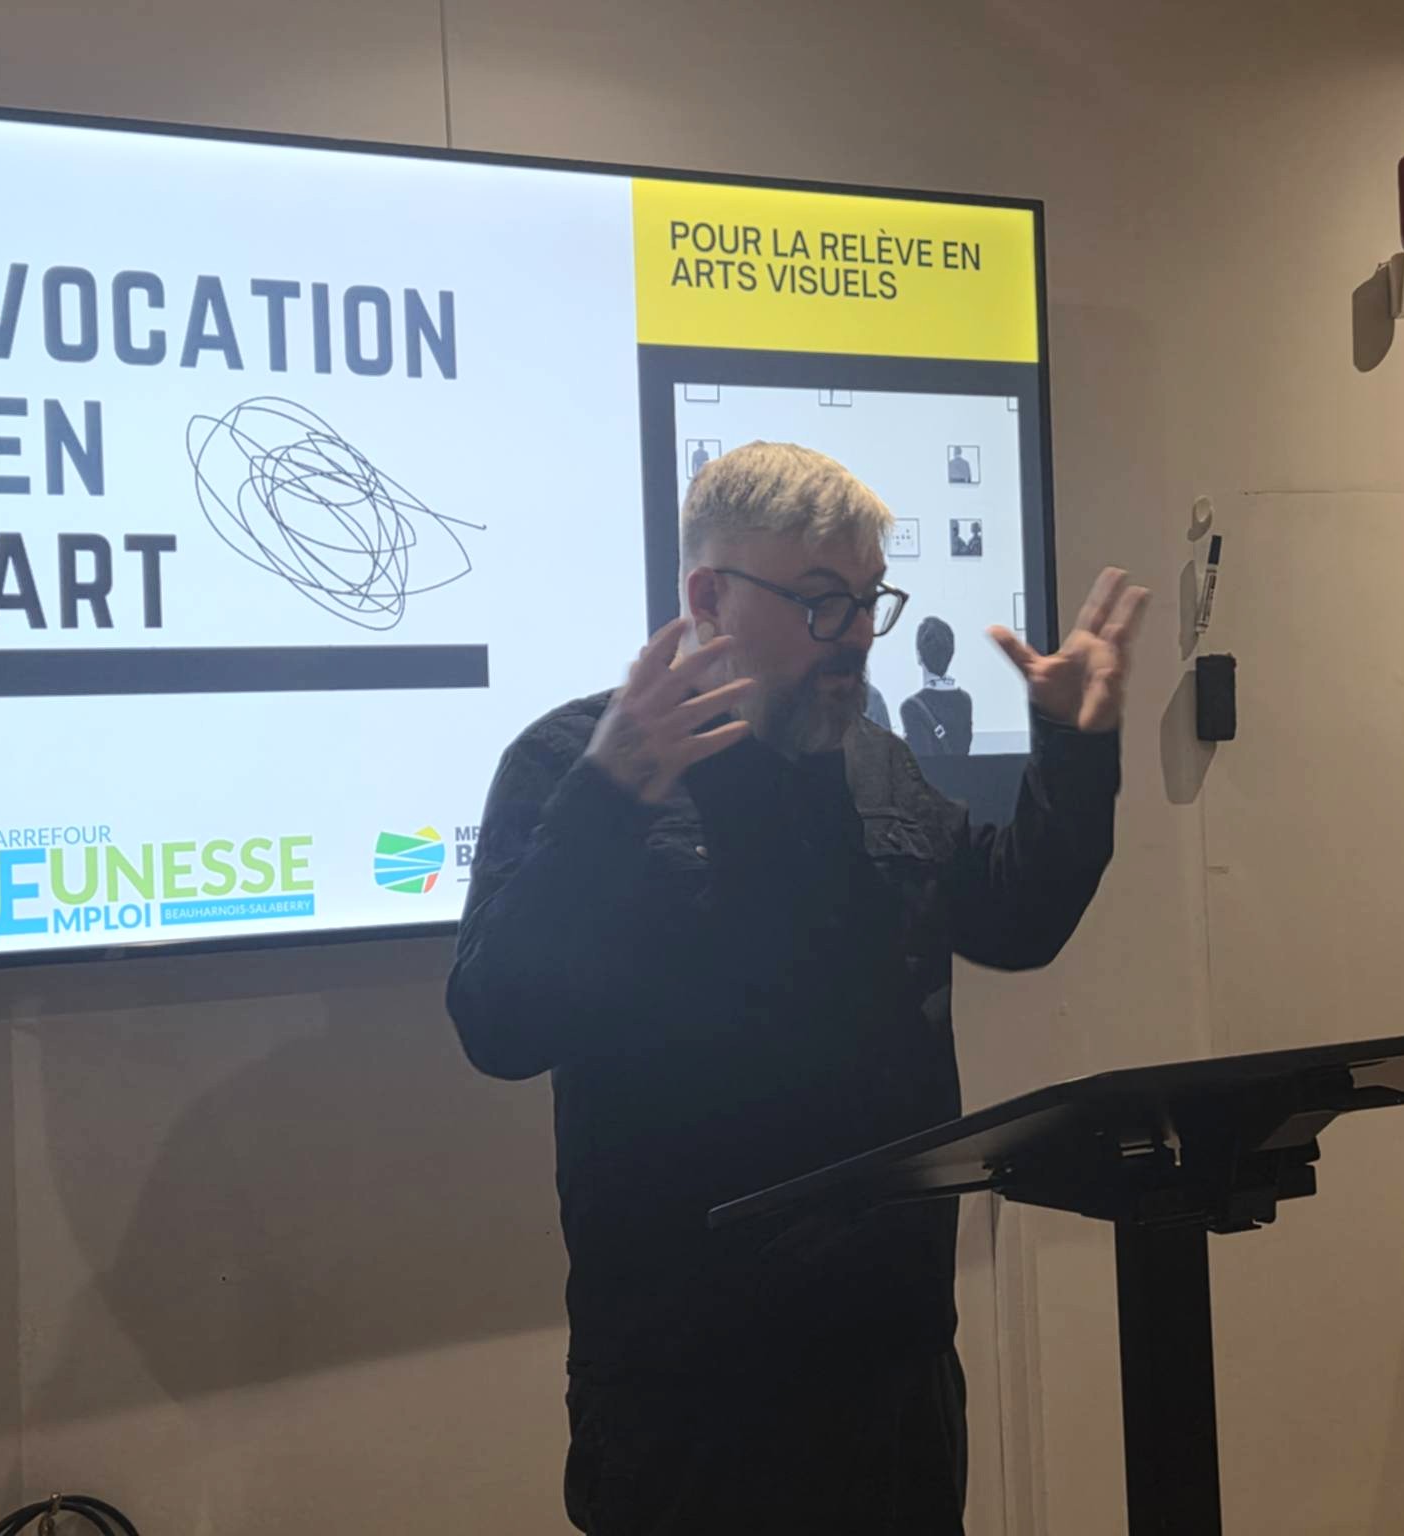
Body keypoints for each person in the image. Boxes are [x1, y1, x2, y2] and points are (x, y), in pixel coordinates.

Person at [446, 441, 1147, 1535]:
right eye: (822, 601)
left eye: (869, 599)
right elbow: (498, 1023)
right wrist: (608, 801)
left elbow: (1015, 922)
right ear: (707, 598)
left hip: (891, 1364)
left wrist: (1073, 748)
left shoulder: (874, 762)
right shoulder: (573, 764)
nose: (857, 632)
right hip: (687, 1386)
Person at [900, 616, 974, 756]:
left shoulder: (910, 708)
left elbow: (921, 761)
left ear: (919, 656)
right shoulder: (965, 701)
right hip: (959, 771)